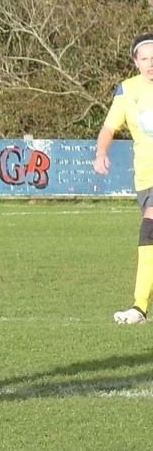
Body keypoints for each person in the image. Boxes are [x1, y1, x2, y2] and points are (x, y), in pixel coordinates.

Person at [94, 32, 153, 324]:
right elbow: (108, 129)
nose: (151, 64)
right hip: (145, 178)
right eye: (145, 59)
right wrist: (101, 153)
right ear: (135, 61)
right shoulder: (127, 91)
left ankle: (139, 307)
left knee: (150, 229)